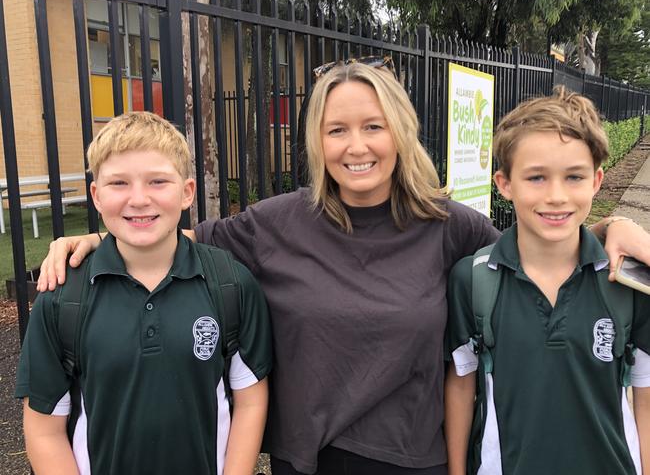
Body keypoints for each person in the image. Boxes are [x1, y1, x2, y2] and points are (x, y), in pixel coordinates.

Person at [36, 59, 650, 474]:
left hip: (415, 455)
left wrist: (607, 228)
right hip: (309, 457)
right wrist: (92, 240)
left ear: (399, 132)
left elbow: (535, 249)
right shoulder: (276, 223)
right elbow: (165, 227)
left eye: (373, 127)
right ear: (317, 140)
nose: (356, 146)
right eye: (337, 130)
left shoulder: (448, 225)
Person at [16, 112, 272, 475]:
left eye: (157, 181)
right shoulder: (63, 297)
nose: (138, 199)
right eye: (119, 183)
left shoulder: (230, 283)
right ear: (96, 196)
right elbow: (44, 430)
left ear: (186, 193)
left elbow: (249, 401)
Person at [444, 88, 650, 475]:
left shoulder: (627, 279)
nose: (556, 196)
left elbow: (645, 391)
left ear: (597, 180)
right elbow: (460, 385)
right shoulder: (472, 281)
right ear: (504, 184)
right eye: (536, 177)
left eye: (574, 176)